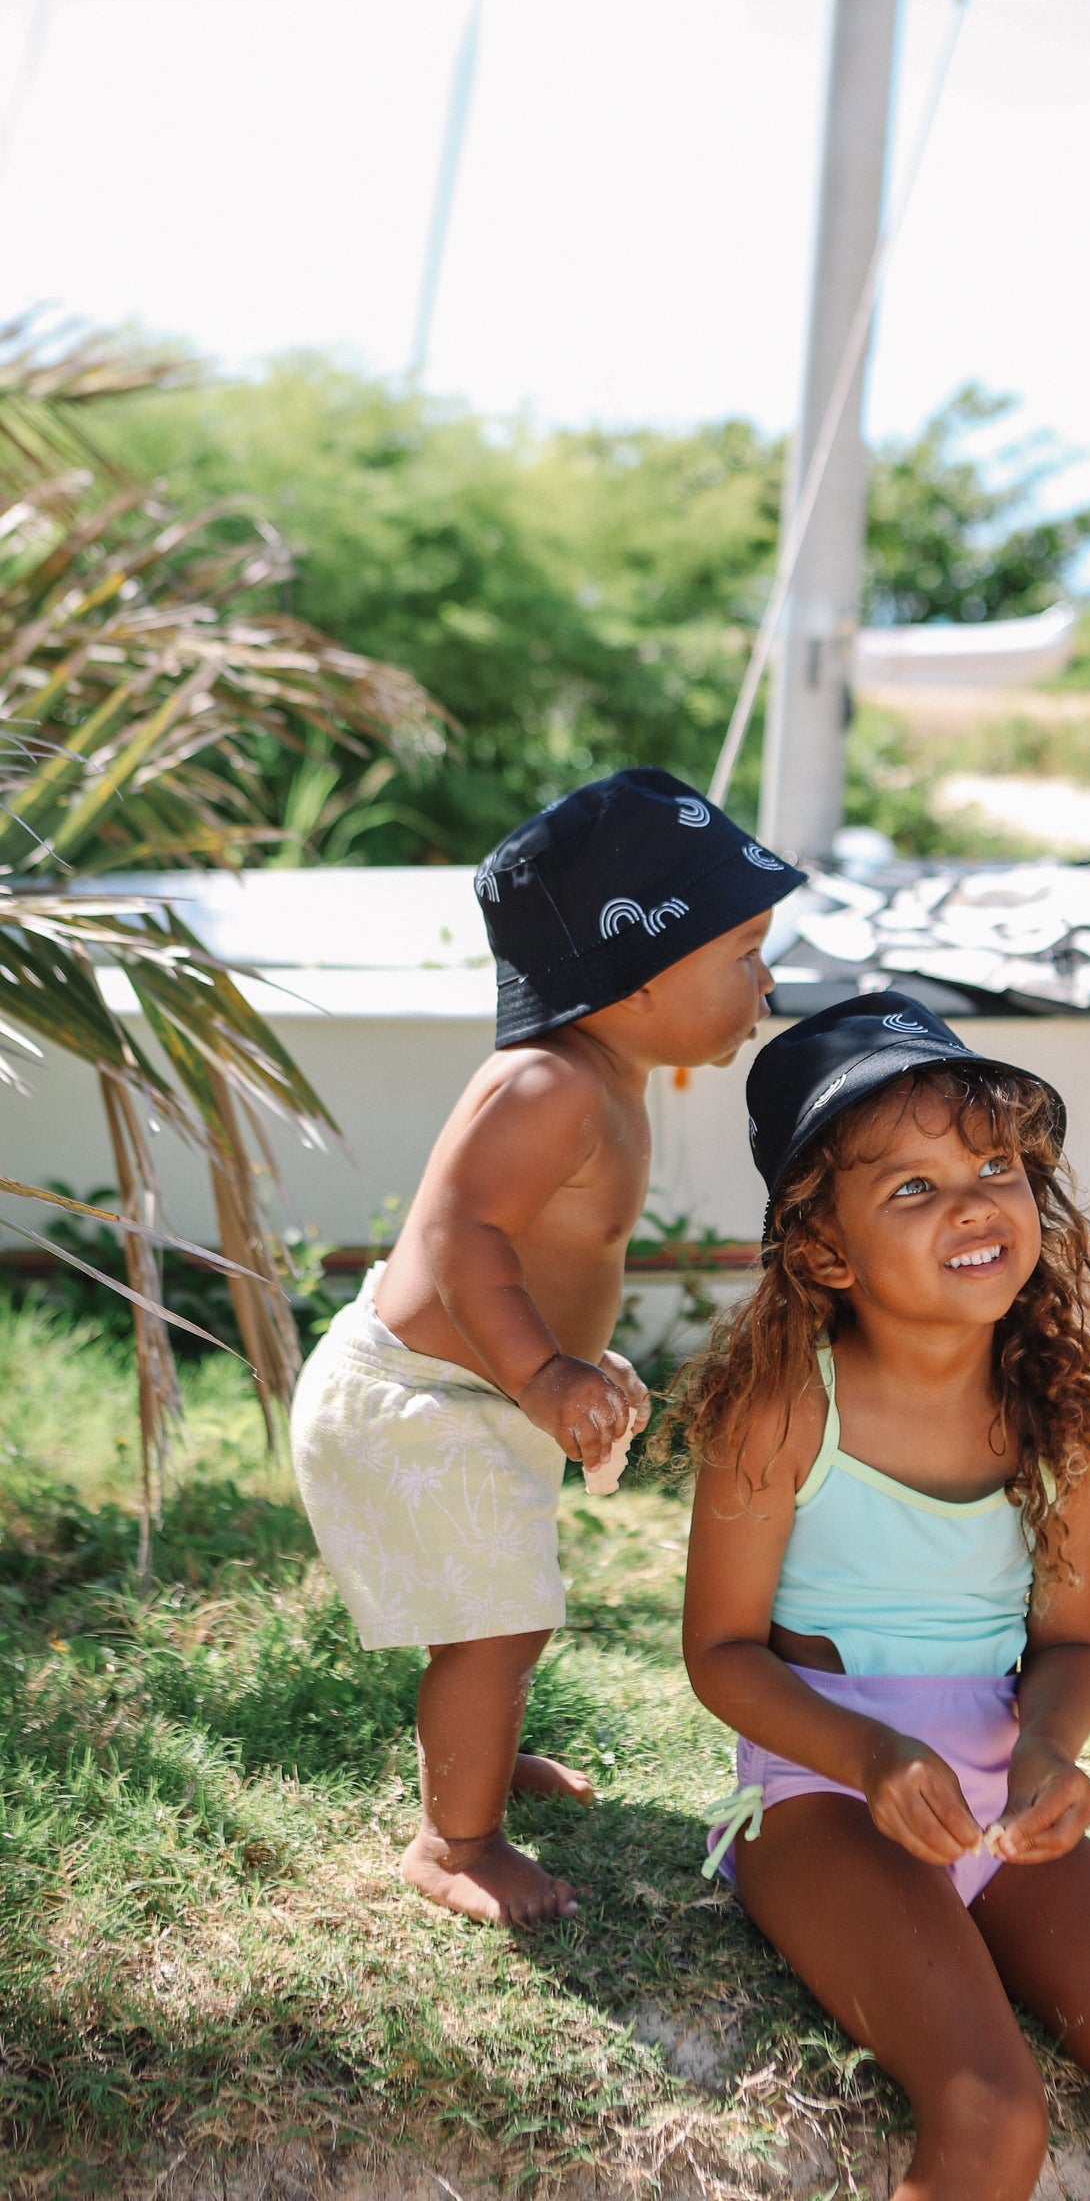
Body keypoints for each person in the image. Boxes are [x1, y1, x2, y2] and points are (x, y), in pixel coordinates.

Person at [677, 995, 1090, 2201]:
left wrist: (1050, 1755)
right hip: (824, 1800)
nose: (971, 1202)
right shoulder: (785, 1405)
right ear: (824, 1251)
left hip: (1004, 1807)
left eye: (995, 1166)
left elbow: (1068, 1642)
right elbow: (720, 1654)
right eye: (910, 1188)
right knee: (991, 2119)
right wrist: (867, 1756)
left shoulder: (1065, 1415)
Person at [291, 768, 804, 1926]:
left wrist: (572, 1361)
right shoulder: (543, 1083)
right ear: (632, 976)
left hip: (471, 1391)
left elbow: (545, 1254)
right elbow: (458, 1234)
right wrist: (540, 1370)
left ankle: (472, 1748)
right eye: (743, 953)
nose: (765, 983)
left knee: (498, 1603)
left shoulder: (605, 1073)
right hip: (416, 1395)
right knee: (500, 1615)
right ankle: (455, 1843)